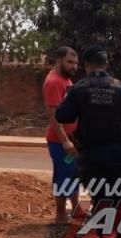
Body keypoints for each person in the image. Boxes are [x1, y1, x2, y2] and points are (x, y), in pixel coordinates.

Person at [56, 45, 121, 238]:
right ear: (106, 64)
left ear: (86, 65)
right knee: (118, 193)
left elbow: (62, 116)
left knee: (100, 196)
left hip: (92, 154)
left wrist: (73, 100)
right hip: (117, 152)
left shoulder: (78, 88)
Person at [43, 46, 81, 224]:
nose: (74, 66)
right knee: (62, 175)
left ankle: (75, 208)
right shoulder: (54, 82)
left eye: (76, 63)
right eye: (70, 62)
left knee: (73, 174)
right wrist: (65, 141)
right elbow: (53, 115)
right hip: (60, 142)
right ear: (59, 60)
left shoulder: (65, 81)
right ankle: (60, 215)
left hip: (72, 139)